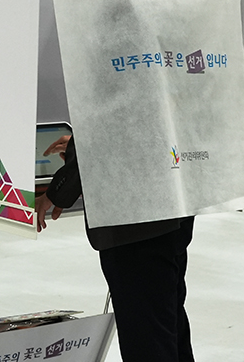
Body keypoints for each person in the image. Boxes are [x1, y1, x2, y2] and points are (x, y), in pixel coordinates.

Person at [35, 135, 196, 362]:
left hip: (135, 223)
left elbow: (99, 136)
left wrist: (56, 193)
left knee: (149, 340)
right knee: (168, 325)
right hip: (172, 208)